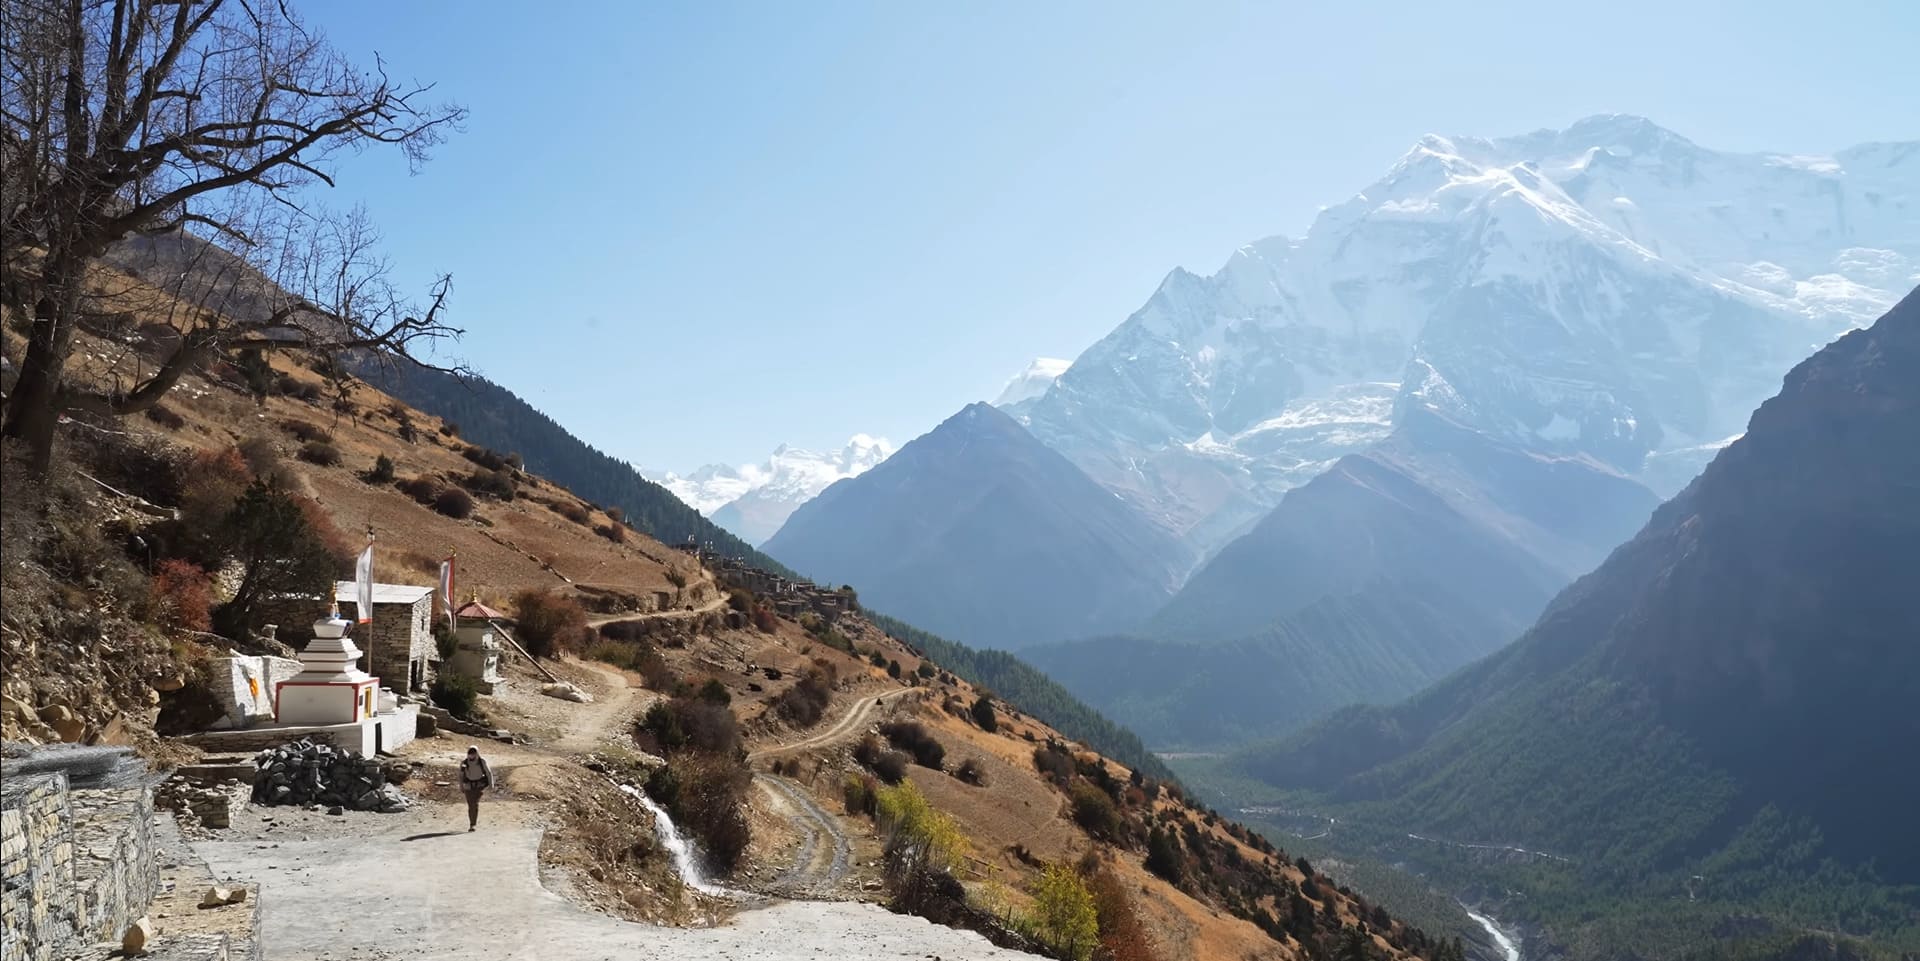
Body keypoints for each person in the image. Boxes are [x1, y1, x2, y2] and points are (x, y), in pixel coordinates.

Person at [459, 746, 493, 831]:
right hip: (468, 786)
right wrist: (461, 786)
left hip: (479, 786)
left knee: (475, 804)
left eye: (473, 754)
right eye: (470, 754)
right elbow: (461, 775)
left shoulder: (482, 762)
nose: (471, 756)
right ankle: (472, 823)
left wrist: (491, 784)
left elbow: (488, 773)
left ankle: (473, 824)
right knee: (471, 805)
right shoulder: (464, 763)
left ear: (477, 754)